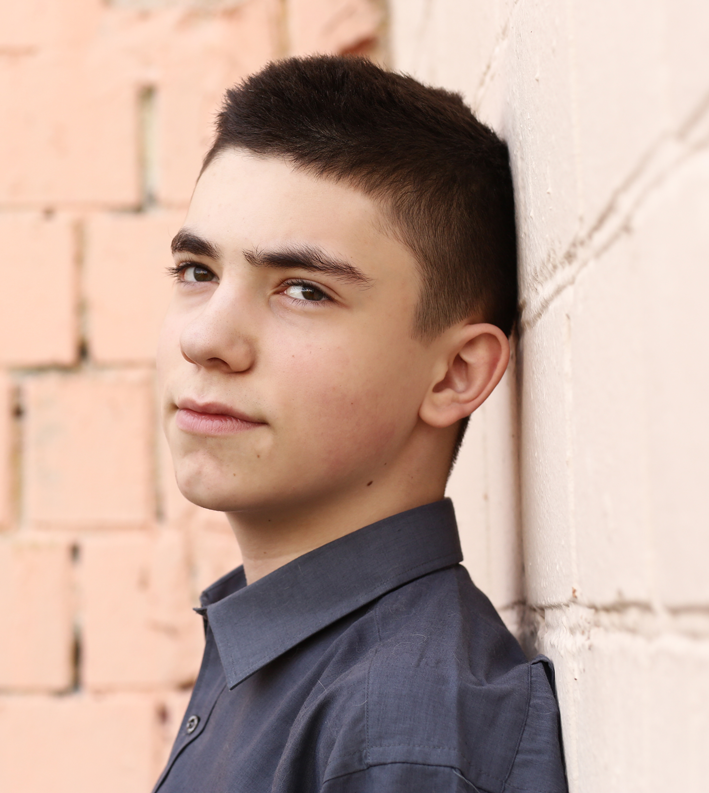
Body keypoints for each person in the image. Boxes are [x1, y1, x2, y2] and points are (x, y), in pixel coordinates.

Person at [153, 56, 568, 792]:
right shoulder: (281, 649)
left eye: (304, 290)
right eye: (198, 272)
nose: (205, 339)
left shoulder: (401, 734)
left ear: (455, 374)